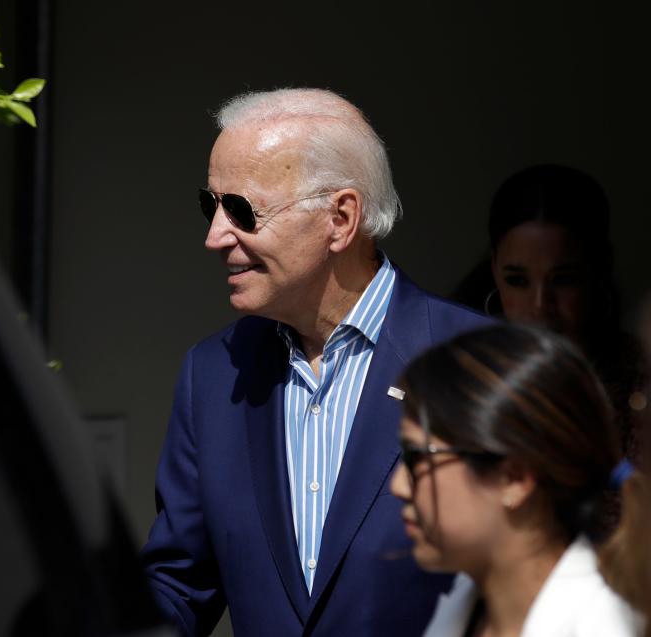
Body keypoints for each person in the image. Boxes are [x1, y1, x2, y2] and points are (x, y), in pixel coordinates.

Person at [141, 88, 491, 636]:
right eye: (212, 206)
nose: (215, 236)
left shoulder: (480, 362)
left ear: (340, 218)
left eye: (242, 210)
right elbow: (178, 583)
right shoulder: (213, 374)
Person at [390, 324, 645, 636]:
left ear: (515, 478)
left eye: (417, 456)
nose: (398, 485)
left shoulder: (604, 626)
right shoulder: (462, 602)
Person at [452, 164, 646, 461]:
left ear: (599, 270)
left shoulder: (639, 384)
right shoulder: (460, 381)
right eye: (518, 281)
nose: (541, 305)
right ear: (494, 270)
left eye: (563, 279)